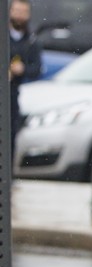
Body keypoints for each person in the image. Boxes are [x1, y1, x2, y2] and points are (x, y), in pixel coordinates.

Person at [8, 0, 42, 163]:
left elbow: (37, 69)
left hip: (13, 93)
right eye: (16, 11)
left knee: (10, 134)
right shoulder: (4, 36)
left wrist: (23, 69)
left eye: (23, 12)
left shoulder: (31, 40)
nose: (19, 16)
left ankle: (9, 176)